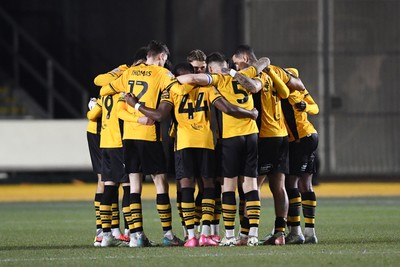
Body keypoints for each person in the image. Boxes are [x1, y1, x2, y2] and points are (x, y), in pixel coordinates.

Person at [125, 61, 259, 247]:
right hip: (205, 142)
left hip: (184, 143)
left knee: (186, 187)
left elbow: (160, 115)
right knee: (209, 186)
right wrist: (250, 113)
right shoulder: (207, 90)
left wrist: (136, 105)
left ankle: (191, 236)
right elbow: (227, 108)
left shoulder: (170, 91)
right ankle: (206, 233)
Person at [172, 52, 270, 246]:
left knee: (227, 187)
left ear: (210, 68)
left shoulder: (215, 80)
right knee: (250, 186)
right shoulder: (246, 72)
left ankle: (229, 235)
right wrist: (236, 72)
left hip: (230, 138)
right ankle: (253, 235)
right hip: (251, 134)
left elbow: (189, 78)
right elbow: (264, 61)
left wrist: (172, 78)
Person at [100, 40, 183, 247]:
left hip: (129, 137)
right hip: (149, 136)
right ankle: (168, 235)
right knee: (160, 182)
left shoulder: (128, 73)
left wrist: (134, 115)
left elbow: (103, 91)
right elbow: (179, 92)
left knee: (134, 186)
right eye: (164, 60)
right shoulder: (162, 74)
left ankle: (136, 236)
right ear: (161, 57)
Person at [231, 45, 301, 246]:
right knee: (278, 187)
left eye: (237, 62)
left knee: (249, 186)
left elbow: (253, 87)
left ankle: (246, 234)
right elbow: (296, 85)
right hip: (281, 136)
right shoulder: (276, 70)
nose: (235, 65)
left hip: (264, 136)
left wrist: (235, 73)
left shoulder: (257, 75)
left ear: (245, 58)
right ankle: (279, 233)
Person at [281, 68, 319, 244]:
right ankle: (310, 232)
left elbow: (315, 108)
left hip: (300, 140)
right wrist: (306, 106)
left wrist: (306, 106)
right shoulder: (298, 91)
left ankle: (296, 232)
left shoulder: (285, 93)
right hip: (310, 137)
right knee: (306, 184)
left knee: (291, 183)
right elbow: (315, 108)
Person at [86, 96, 104, 247]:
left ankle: (102, 231)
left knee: (104, 180)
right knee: (118, 181)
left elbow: (91, 112)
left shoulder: (104, 91)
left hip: (96, 131)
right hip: (104, 133)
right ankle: (107, 231)